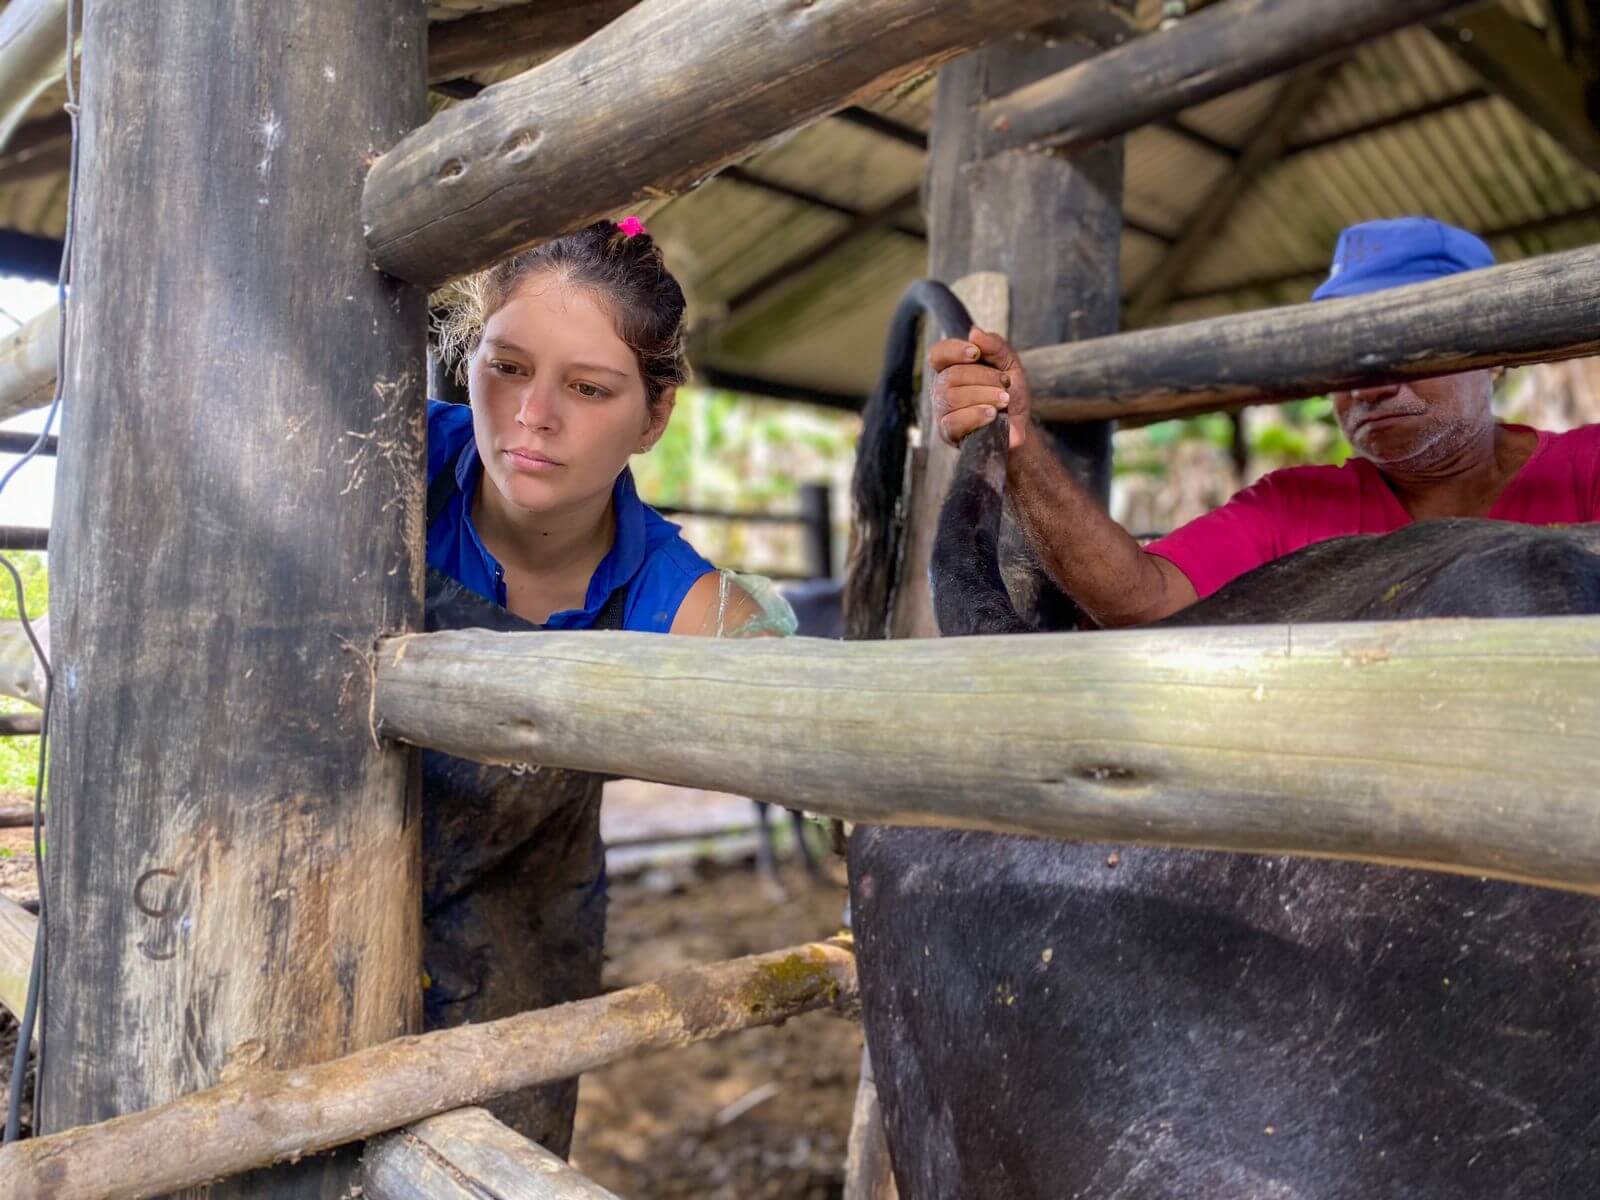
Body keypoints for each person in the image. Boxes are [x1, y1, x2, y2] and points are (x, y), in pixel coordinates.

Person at [420, 218, 787, 1153]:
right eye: (505, 367)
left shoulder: (669, 590)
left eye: (588, 389)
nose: (533, 416)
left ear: (653, 417)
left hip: (514, 945)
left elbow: (785, 683)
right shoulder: (378, 465)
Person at [929, 216, 1600, 627]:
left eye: (1413, 343)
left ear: (1498, 355)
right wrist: (1019, 444)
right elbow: (1142, 598)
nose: (1370, 382)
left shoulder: (1590, 469)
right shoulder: (1295, 505)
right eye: (1344, 355)